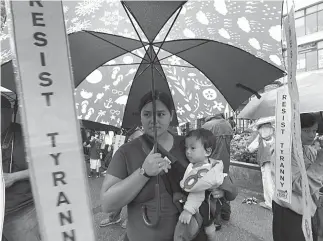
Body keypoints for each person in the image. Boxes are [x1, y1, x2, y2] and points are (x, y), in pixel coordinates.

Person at [101, 90, 237, 241]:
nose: (153, 120)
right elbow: (107, 204)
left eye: (160, 114)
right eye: (147, 114)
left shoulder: (188, 145)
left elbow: (223, 179)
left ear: (171, 115)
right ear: (140, 116)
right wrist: (143, 173)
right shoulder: (126, 152)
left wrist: (219, 189)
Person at [272, 113, 323, 241]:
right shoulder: (283, 153)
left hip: (310, 209)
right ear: (294, 128)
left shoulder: (308, 150)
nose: (312, 135)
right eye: (306, 130)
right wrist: (319, 162)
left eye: (315, 131)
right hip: (290, 212)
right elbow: (299, 185)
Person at [174, 128, 227, 241]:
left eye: (193, 148)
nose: (188, 151)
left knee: (208, 228)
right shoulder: (197, 164)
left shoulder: (204, 171)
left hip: (204, 206)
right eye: (186, 148)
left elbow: (197, 192)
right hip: (203, 206)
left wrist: (188, 211)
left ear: (207, 151)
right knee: (208, 227)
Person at [1, 96, 41, 241]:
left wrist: (13, 177)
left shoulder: (27, 136)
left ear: (9, 113)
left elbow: (43, 167)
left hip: (23, 211)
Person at [99, 128, 143, 229]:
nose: (132, 142)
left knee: (134, 197)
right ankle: (114, 217)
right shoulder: (125, 148)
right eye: (130, 140)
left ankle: (130, 219)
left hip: (137, 177)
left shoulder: (144, 150)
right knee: (117, 192)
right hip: (124, 173)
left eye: (137, 140)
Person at [202, 114, 233, 221]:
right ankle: (226, 213)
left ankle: (216, 220)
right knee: (224, 187)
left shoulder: (207, 126)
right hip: (225, 162)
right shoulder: (227, 124)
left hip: (213, 162)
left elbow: (201, 145)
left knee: (213, 191)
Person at [248, 119, 275, 210]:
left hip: (265, 160)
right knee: (274, 181)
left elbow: (251, 148)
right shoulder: (275, 132)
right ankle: (277, 201)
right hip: (276, 159)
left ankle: (269, 203)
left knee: (267, 181)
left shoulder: (260, 135)